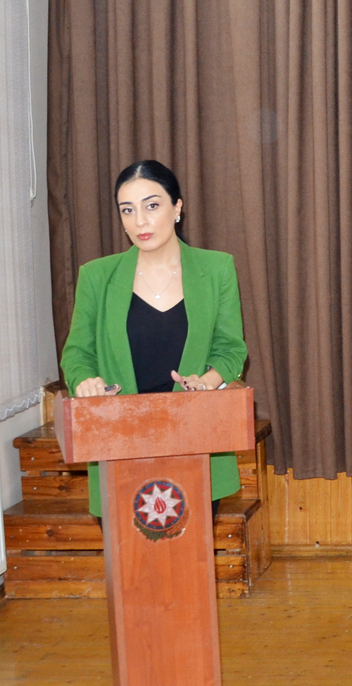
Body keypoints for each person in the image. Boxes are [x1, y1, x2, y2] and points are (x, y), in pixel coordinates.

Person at [60, 160, 247, 518]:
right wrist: (84, 381)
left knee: (189, 552)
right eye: (128, 210)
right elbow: (77, 354)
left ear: (177, 208)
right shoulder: (97, 276)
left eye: (152, 205)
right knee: (129, 554)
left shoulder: (216, 269)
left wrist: (206, 383)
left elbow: (230, 350)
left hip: (193, 440)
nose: (140, 221)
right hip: (119, 442)